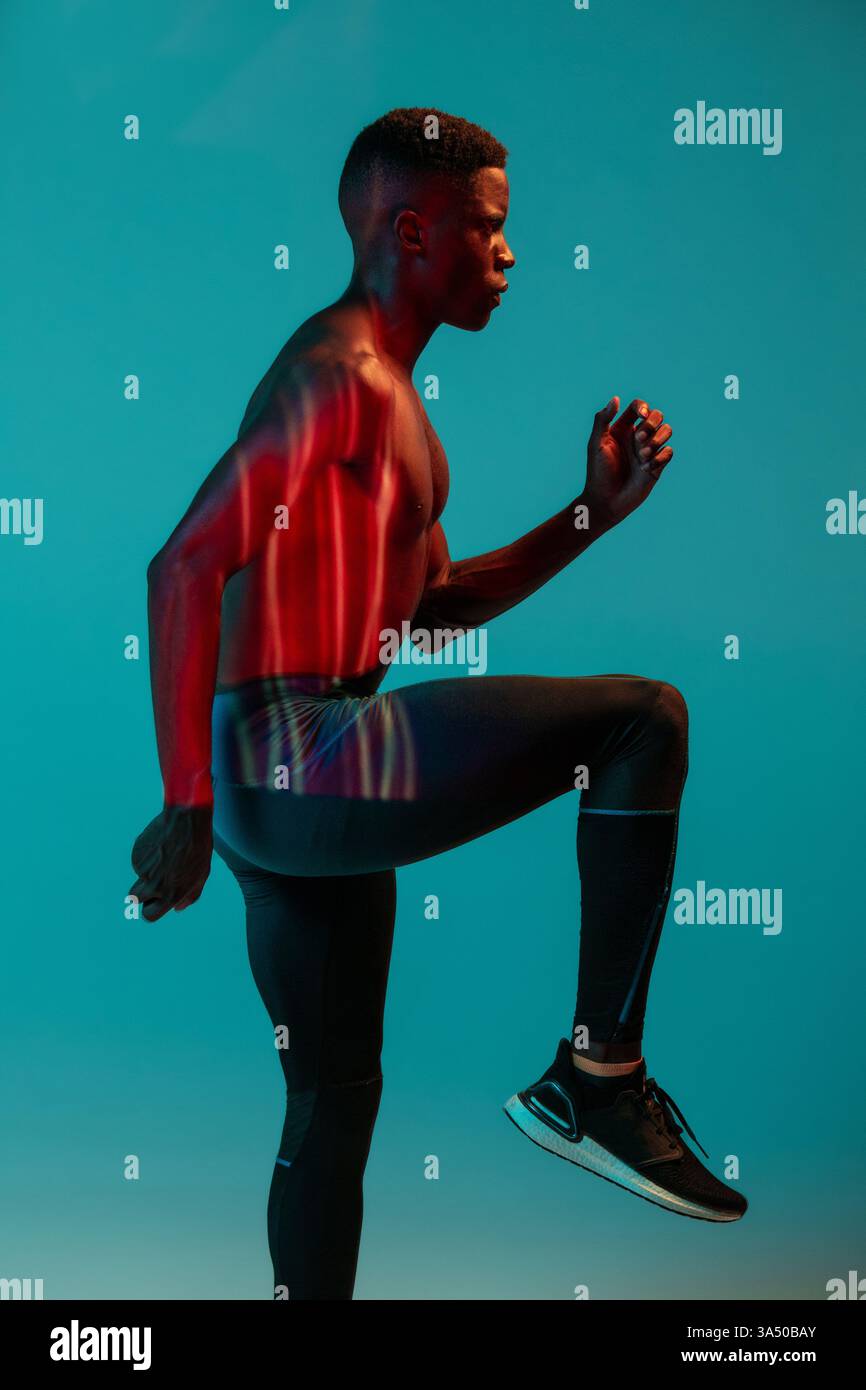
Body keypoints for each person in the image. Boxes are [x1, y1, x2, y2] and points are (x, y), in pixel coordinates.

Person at [129, 107, 747, 1302]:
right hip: (294, 753)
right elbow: (182, 564)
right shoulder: (337, 376)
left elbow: (436, 605)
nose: (509, 253)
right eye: (488, 227)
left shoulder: (391, 398)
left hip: (305, 771)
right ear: (413, 231)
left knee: (334, 1097)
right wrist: (184, 803)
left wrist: (588, 516)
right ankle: (597, 1077)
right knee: (641, 719)